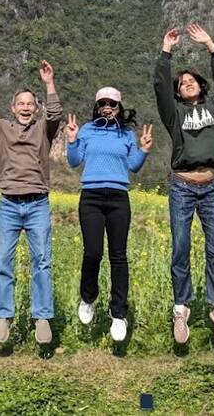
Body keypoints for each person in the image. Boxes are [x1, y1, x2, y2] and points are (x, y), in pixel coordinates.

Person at [0, 59, 62, 345]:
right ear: (12, 108)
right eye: (20, 103)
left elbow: (56, 112)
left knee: (42, 262)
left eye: (30, 104)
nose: (25, 107)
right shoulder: (2, 128)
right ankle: (3, 318)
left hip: (37, 204)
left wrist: (49, 84)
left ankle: (43, 317)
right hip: (9, 203)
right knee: (3, 261)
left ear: (35, 108)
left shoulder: (44, 129)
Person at [153, 24, 214, 345]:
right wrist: (166, 51)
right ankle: (181, 308)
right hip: (182, 186)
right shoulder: (174, 115)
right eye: (181, 82)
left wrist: (210, 45)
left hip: (211, 186)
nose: (186, 84)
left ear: (201, 86)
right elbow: (160, 85)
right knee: (181, 247)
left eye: (191, 81)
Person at [65, 88, 153, 342]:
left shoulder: (126, 133)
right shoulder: (87, 130)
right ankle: (88, 298)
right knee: (93, 252)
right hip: (91, 197)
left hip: (118, 198)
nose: (107, 107)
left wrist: (144, 149)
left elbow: (133, 165)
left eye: (112, 104)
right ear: (96, 106)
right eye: (102, 103)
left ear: (119, 107)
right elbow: (74, 161)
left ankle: (118, 314)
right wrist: (72, 140)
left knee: (118, 256)